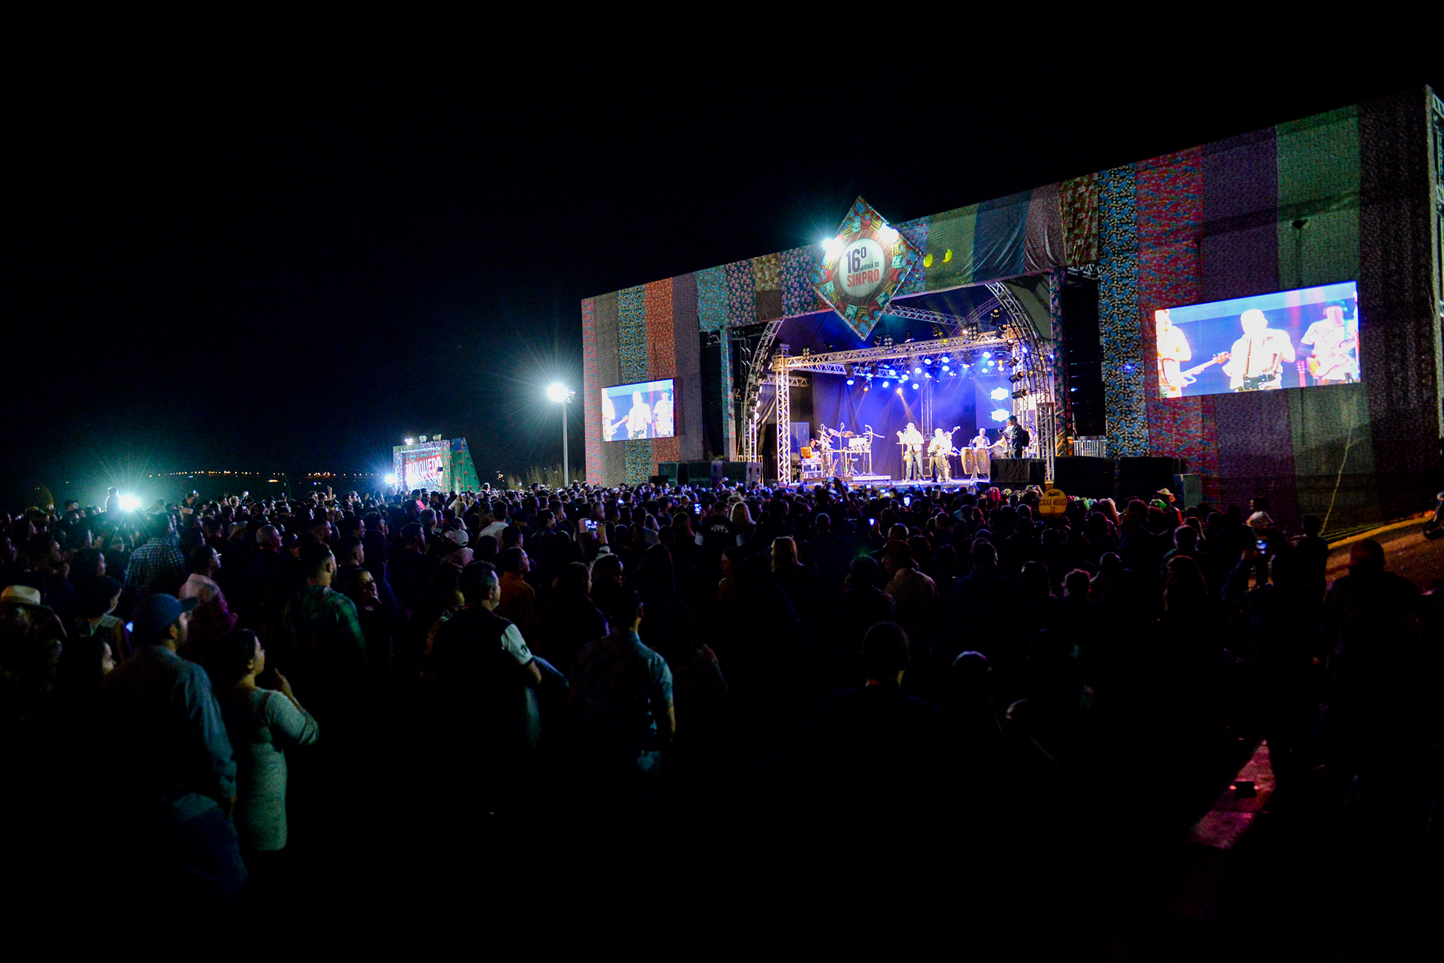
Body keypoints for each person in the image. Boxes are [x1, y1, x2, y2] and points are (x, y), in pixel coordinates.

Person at [98, 593, 247, 911]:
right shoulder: (187, 674)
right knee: (227, 888)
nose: (188, 621)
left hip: (135, 810)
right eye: (183, 618)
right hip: (187, 808)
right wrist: (227, 791)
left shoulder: (114, 679)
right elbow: (212, 745)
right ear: (171, 630)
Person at [214, 630, 318, 860]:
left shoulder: (217, 703)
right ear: (249, 663)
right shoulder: (268, 703)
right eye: (259, 648)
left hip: (232, 819)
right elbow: (309, 733)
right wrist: (289, 695)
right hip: (266, 823)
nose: (264, 651)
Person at [1222, 308, 1295, 391]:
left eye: (1249, 323)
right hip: (1244, 388)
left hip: (1269, 386)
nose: (1245, 326)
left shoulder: (1277, 335)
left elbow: (1290, 358)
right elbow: (1234, 367)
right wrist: (1230, 368)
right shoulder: (1239, 344)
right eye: (1244, 323)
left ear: (1263, 321)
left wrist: (1273, 347)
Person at [1300, 300, 1359, 385]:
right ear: (1325, 313)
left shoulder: (1351, 326)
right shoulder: (1316, 327)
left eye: (1336, 311)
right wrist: (1323, 352)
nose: (1333, 314)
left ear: (1343, 311)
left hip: (1349, 372)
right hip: (1325, 375)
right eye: (1330, 312)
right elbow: (1301, 350)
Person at [1155, 309, 1194, 398]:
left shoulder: (1174, 332)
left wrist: (1169, 356)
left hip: (1171, 384)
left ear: (1165, 315)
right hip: (1152, 384)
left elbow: (1186, 355)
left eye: (1159, 314)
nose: (1156, 317)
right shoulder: (1146, 335)